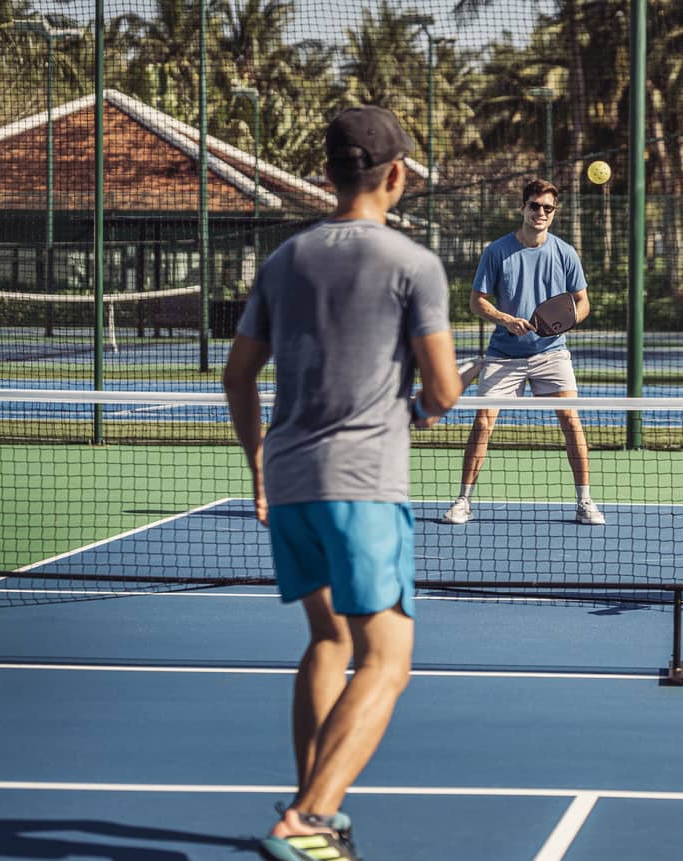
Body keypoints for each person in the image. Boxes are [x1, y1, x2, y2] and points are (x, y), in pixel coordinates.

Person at [223, 105, 461, 861]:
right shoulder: (413, 264)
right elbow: (445, 391)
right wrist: (419, 411)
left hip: (289, 479)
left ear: (327, 174)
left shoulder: (284, 260)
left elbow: (237, 376)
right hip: (362, 485)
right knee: (387, 659)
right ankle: (309, 818)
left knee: (328, 638)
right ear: (397, 176)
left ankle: (313, 806)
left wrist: (258, 463)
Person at [440, 178, 605, 526]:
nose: (541, 212)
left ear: (554, 212)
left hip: (551, 353)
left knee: (571, 420)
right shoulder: (497, 251)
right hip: (503, 354)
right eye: (535, 206)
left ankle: (585, 502)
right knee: (483, 423)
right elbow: (477, 302)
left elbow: (583, 302)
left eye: (547, 208)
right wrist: (505, 319)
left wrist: (565, 322)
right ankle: (463, 501)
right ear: (523, 208)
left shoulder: (565, 253)